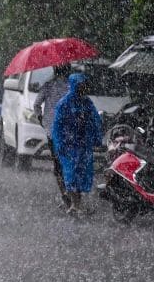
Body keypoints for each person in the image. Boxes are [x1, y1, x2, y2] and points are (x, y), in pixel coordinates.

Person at [51, 73, 103, 215]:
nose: (83, 88)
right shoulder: (64, 104)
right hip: (68, 146)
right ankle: (75, 204)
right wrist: (59, 144)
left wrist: (97, 137)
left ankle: (75, 203)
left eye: (84, 85)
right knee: (71, 174)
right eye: (80, 85)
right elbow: (57, 126)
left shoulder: (87, 103)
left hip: (84, 145)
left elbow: (95, 120)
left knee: (82, 175)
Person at [33, 64, 72, 208]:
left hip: (53, 131)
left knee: (58, 164)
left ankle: (64, 194)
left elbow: (36, 104)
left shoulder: (48, 86)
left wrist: (40, 118)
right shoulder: (72, 86)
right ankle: (72, 193)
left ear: (55, 71)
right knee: (69, 162)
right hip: (70, 131)